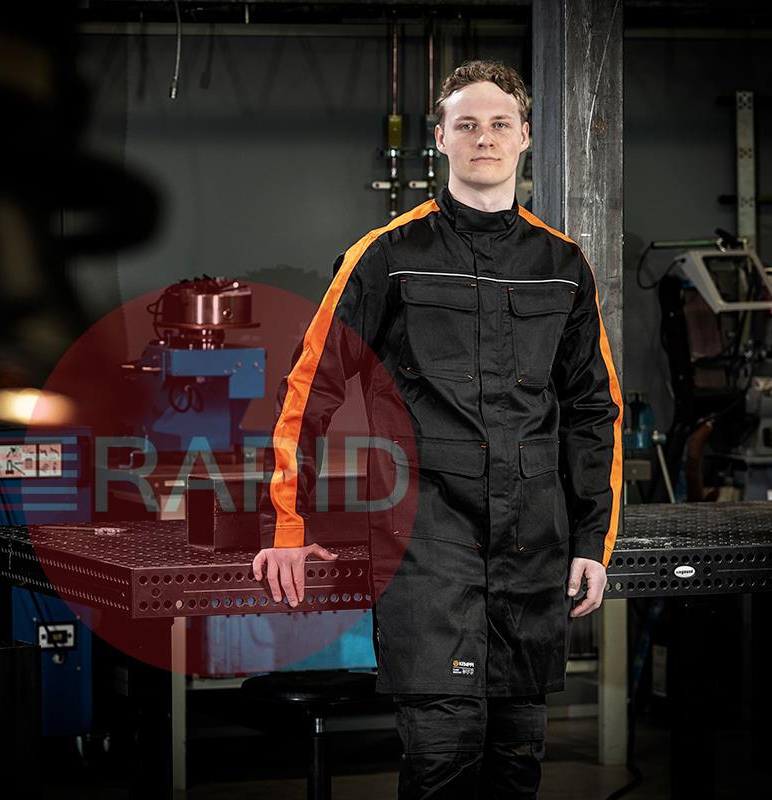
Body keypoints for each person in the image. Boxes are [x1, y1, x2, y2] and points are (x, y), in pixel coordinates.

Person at [253, 59, 622, 799]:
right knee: (444, 755)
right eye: (467, 124)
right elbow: (309, 389)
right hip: (426, 546)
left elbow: (593, 410)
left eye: (499, 124)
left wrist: (592, 541)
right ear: (441, 138)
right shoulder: (388, 256)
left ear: (525, 137)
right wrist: (287, 525)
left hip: (532, 550)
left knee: (517, 757)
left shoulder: (562, 265)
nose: (484, 138)